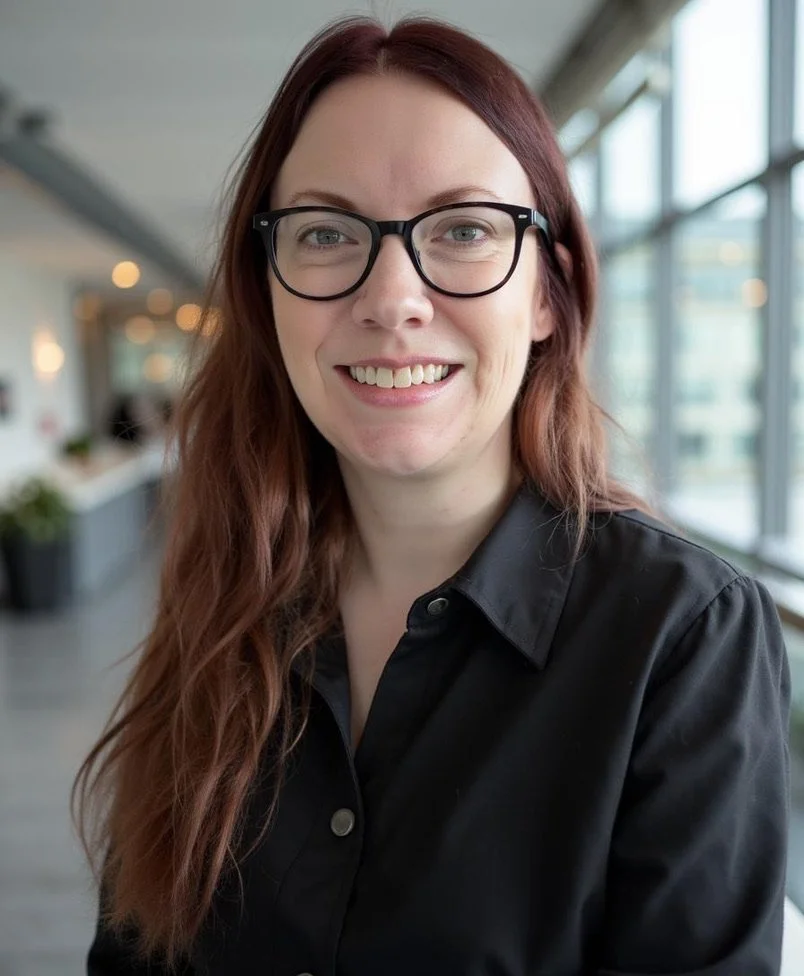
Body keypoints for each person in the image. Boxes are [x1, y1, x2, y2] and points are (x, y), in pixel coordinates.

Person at [74, 16, 791, 976]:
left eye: (462, 230)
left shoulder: (678, 634)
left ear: (548, 293)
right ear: (268, 291)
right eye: (326, 233)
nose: (392, 296)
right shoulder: (225, 593)